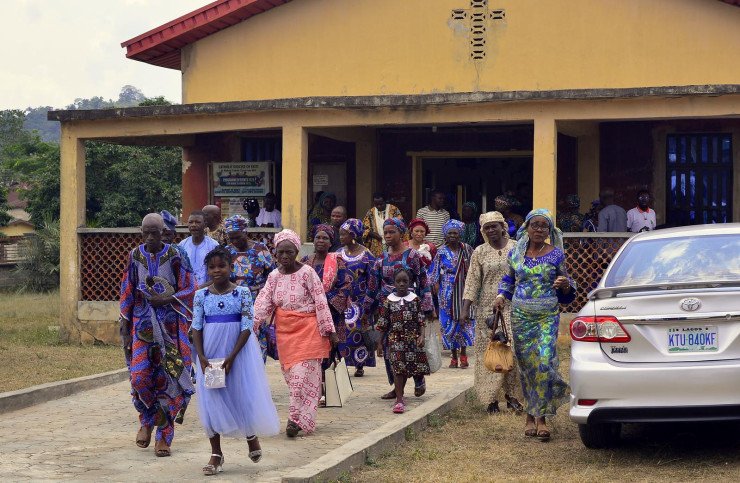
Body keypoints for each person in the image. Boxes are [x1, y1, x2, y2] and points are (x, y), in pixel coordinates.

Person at [191, 246, 280, 475]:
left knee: (240, 392)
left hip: (237, 351)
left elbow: (247, 325)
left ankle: (250, 435)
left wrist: (232, 356)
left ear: (231, 267)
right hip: (210, 353)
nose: (217, 270)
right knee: (211, 398)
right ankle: (216, 454)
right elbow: (197, 326)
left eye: (221, 266)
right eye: (212, 267)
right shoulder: (201, 295)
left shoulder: (242, 293)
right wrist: (201, 356)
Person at [494, 209, 575, 442]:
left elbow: (567, 285)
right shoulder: (516, 253)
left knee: (544, 362)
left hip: (547, 316)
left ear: (549, 230)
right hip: (521, 316)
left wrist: (565, 284)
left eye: (544, 226)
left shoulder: (556, 254)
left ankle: (542, 418)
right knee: (527, 366)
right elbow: (509, 279)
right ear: (527, 228)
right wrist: (501, 296)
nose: (539, 229)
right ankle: (530, 416)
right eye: (535, 225)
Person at [119, 213, 196, 457]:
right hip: (142, 325)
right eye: (146, 233)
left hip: (172, 326)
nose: (150, 237)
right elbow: (127, 289)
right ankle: (147, 417)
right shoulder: (135, 256)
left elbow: (190, 287)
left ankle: (164, 436)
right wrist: (124, 323)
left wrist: (167, 299)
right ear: (141, 233)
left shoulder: (176, 255)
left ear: (164, 232)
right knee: (140, 377)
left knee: (169, 380)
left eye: (155, 233)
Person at [253, 230, 338, 438]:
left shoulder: (308, 273)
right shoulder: (273, 277)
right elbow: (263, 302)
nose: (284, 256)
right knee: (293, 379)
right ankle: (302, 418)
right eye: (280, 252)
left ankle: (294, 420)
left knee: (303, 378)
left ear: (297, 252)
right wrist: (250, 326)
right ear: (275, 253)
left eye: (289, 252)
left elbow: (320, 301)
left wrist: (329, 330)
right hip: (285, 334)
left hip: (309, 330)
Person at [461, 211, 522, 414]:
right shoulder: (480, 252)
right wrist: (465, 309)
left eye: (494, 226)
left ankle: (513, 396)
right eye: (486, 228)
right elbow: (472, 281)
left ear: (502, 226)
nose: (491, 230)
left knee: (511, 350)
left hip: (512, 306)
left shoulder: (516, 247)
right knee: (489, 352)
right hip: (487, 309)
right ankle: (491, 399)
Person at [368, 218, 434, 400]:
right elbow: (373, 286)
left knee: (411, 348)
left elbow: (423, 281)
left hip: (409, 310)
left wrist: (427, 308)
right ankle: (398, 389)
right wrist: (367, 308)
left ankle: (418, 378)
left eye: (392, 232)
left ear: (401, 233)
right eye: (385, 232)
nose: (388, 235)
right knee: (390, 350)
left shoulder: (412, 256)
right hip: (387, 310)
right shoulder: (381, 259)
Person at [301, 224, 353, 404]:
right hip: (309, 315)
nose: (321, 241)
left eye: (325, 238)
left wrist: (325, 301)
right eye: (318, 237)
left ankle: (328, 391)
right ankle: (314, 390)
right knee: (311, 352)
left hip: (332, 314)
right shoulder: (305, 262)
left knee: (329, 351)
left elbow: (346, 285)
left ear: (331, 242)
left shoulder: (338, 261)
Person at [375, 267, 430, 414]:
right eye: (398, 281)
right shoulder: (389, 301)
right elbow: (383, 323)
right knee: (398, 368)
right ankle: (399, 400)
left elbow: (421, 320)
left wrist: (422, 336)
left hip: (412, 340)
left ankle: (412, 385)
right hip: (395, 340)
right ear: (393, 283)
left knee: (409, 367)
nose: (401, 284)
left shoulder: (415, 299)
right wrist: (379, 343)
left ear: (410, 282)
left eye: (405, 281)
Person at [428, 220, 475, 368]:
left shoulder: (467, 249)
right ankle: (453, 356)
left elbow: (475, 268)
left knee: (464, 320)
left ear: (460, 234)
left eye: (455, 233)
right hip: (446, 290)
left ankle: (463, 354)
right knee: (448, 322)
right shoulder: (441, 251)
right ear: (445, 235)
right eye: (450, 233)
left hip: (464, 288)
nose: (453, 236)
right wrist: (435, 285)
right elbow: (433, 272)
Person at [337, 219, 376, 377]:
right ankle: (341, 363)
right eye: (340, 234)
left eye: (344, 234)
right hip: (342, 300)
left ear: (353, 235)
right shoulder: (338, 253)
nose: (340, 237)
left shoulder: (367, 256)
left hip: (360, 301)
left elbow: (372, 280)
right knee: (342, 333)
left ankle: (359, 364)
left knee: (358, 333)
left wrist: (369, 302)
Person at [224, 215, 274, 295]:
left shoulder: (260, 248)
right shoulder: (227, 251)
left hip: (258, 296)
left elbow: (271, 272)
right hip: (235, 295)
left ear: (246, 233)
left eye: (238, 237)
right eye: (231, 238)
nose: (235, 241)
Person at [179, 211, 219, 288]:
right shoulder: (182, 245)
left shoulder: (213, 245)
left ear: (205, 224)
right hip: (185, 290)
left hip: (208, 289)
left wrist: (200, 288)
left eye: (197, 222)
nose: (193, 225)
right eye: (190, 222)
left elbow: (217, 272)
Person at [362, 193, 403, 257]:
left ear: (385, 201)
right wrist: (372, 234)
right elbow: (364, 228)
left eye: (381, 204)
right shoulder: (370, 212)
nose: (379, 206)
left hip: (392, 242)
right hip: (376, 243)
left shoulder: (393, 209)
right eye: (376, 204)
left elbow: (401, 226)